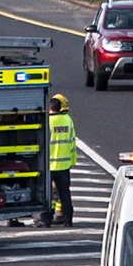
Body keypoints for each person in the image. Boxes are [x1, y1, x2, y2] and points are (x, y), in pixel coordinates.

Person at [42, 94, 76, 228]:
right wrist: (71, 161)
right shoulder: (68, 120)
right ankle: (68, 220)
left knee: (47, 194)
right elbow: (72, 142)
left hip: (49, 164)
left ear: (50, 108)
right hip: (64, 164)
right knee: (65, 194)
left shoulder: (48, 121)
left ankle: (46, 220)